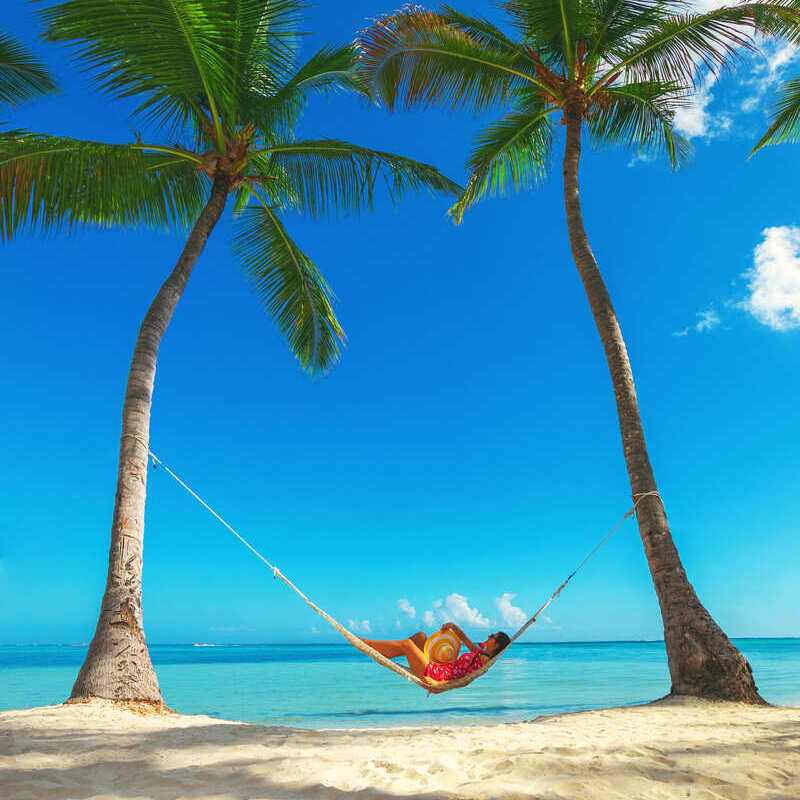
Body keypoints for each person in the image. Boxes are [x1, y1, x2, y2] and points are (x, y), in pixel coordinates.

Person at [361, 623, 511, 691]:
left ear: (497, 645)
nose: (489, 636)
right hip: (440, 667)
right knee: (421, 637)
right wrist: (453, 627)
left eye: (492, 636)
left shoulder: (483, 663)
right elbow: (465, 640)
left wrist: (438, 684)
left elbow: (464, 682)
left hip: (436, 676)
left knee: (407, 645)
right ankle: (384, 655)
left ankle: (368, 644)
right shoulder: (480, 653)